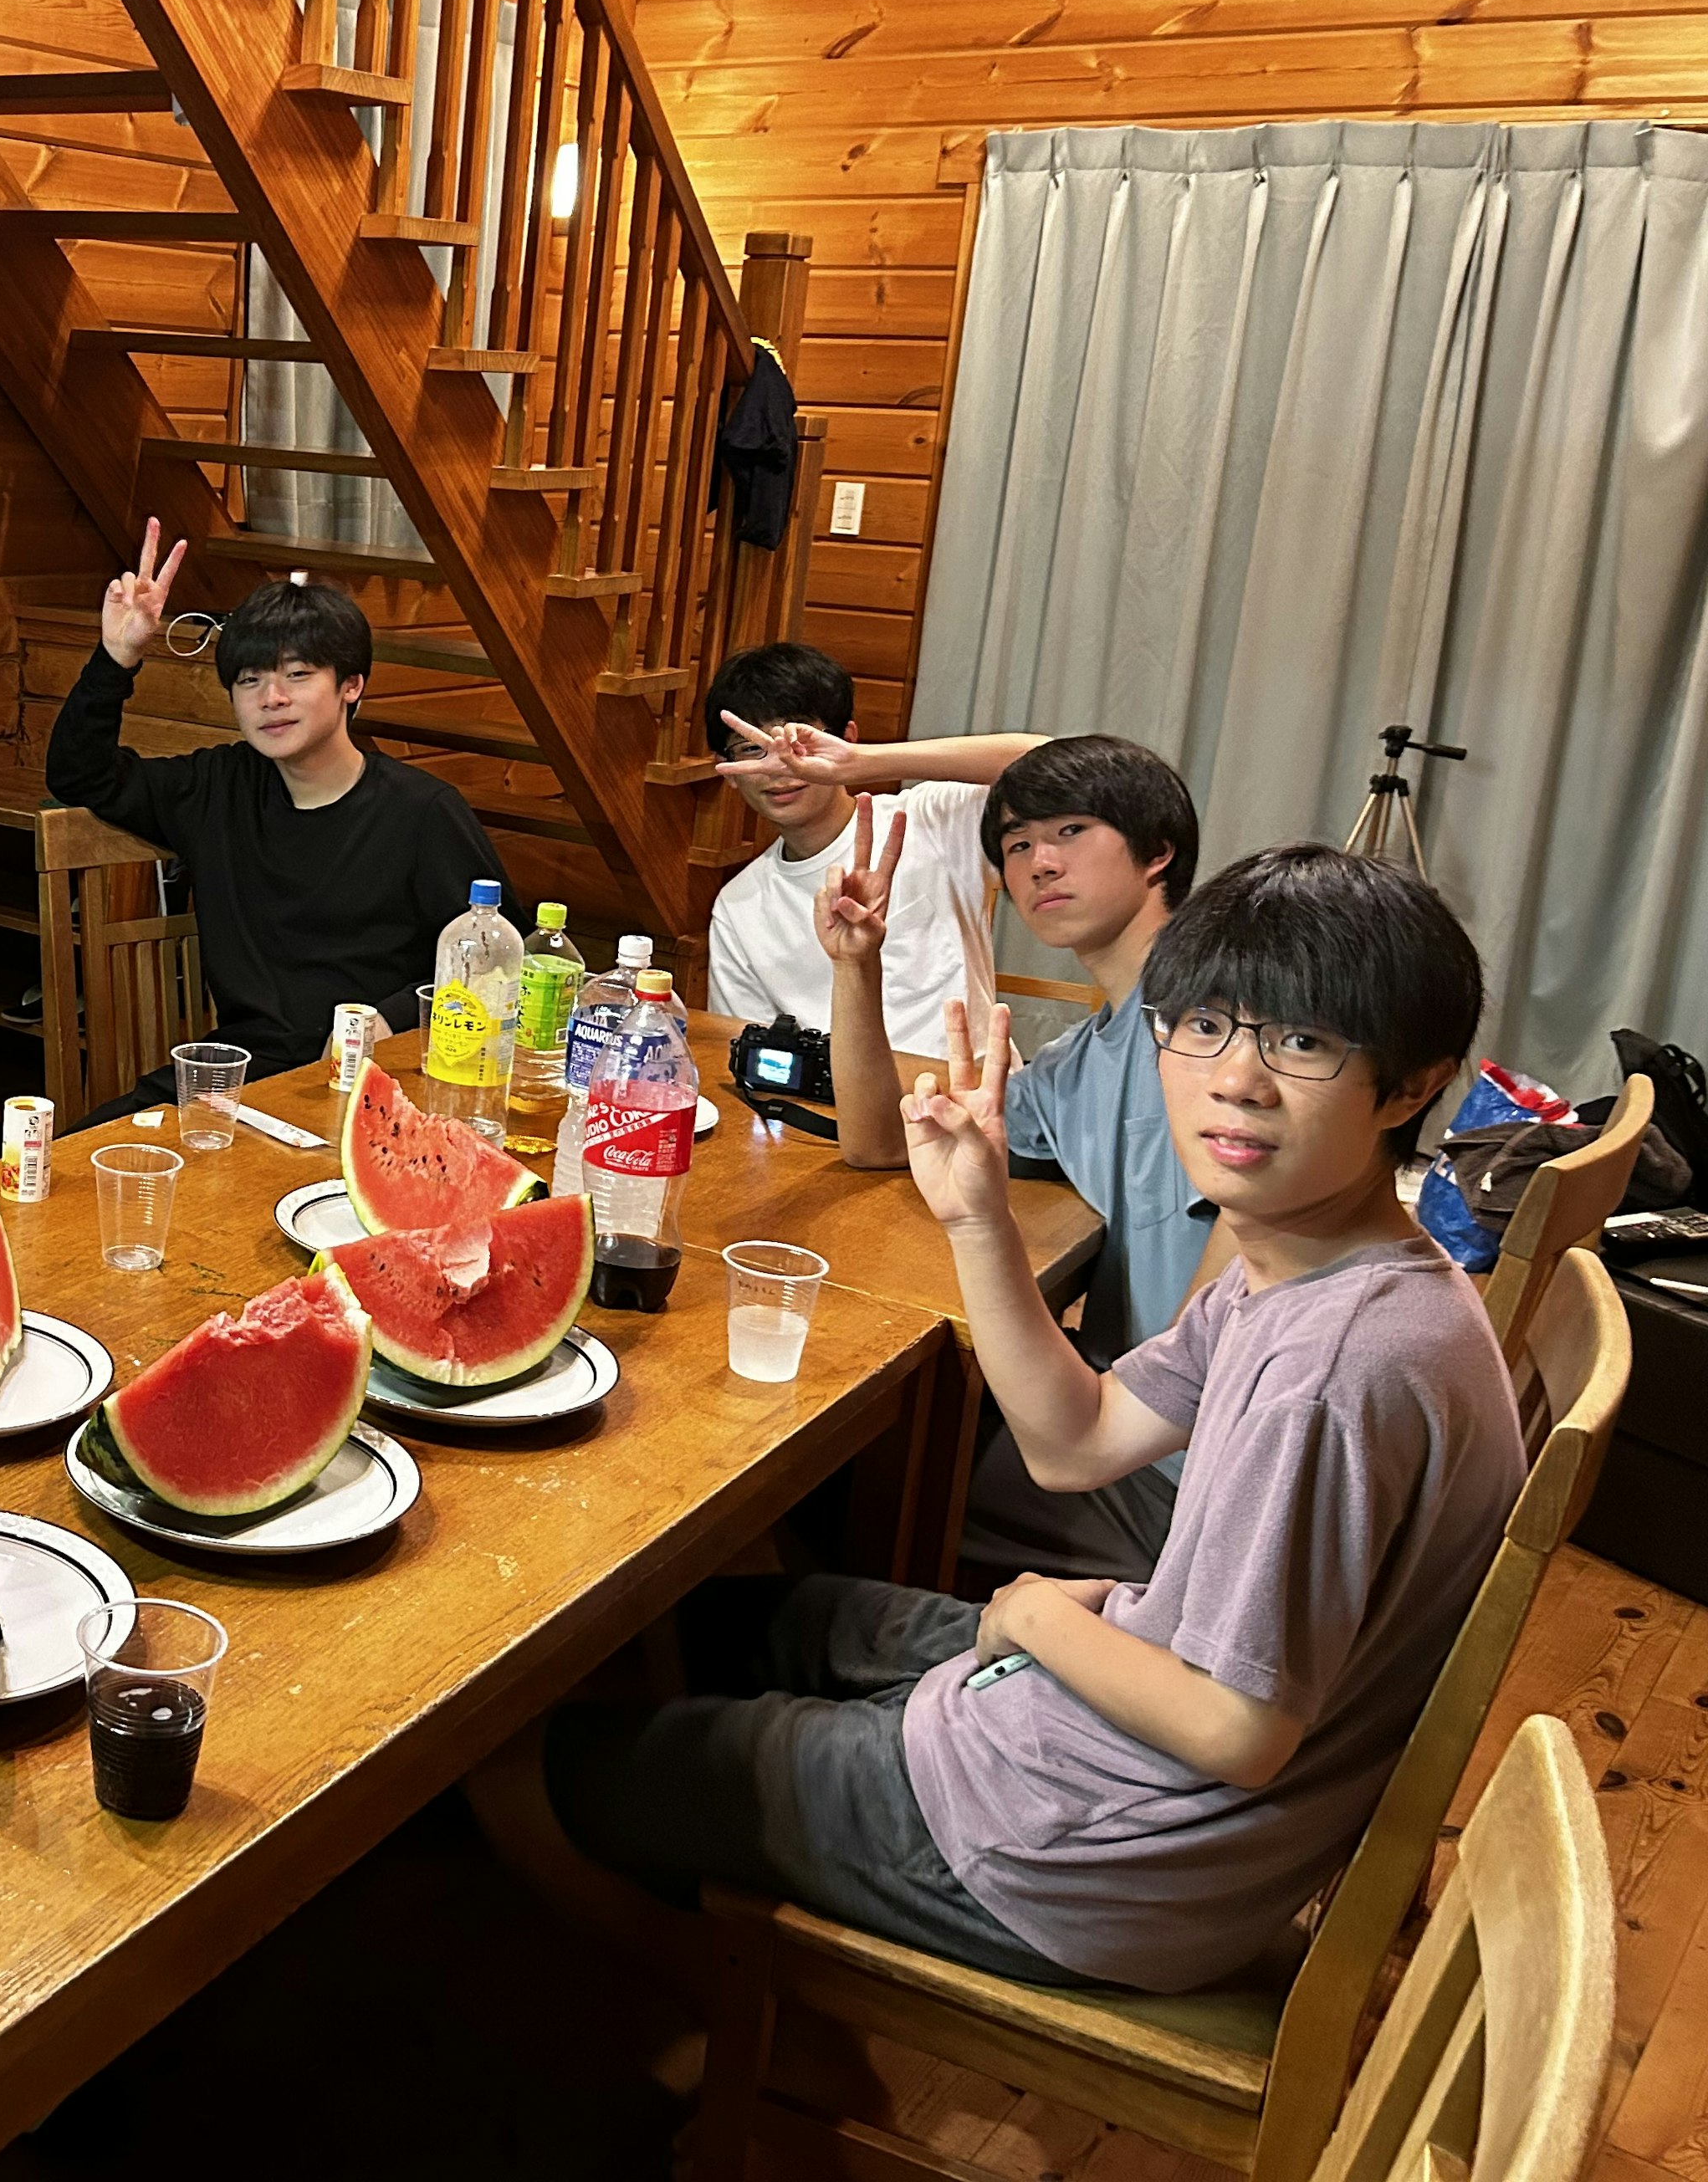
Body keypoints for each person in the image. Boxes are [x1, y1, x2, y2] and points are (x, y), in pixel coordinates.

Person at [545, 847, 1521, 1994]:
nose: (1237, 1081)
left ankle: (711, 2009)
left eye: (1302, 1043)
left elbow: (1234, 1730)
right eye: (1205, 1024)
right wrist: (974, 1216)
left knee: (543, 1755)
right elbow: (1079, 1441)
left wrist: (1042, 1617)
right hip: (1103, 1750)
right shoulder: (1310, 1270)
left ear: (1410, 1086)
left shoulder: (1335, 1369)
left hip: (1081, 1856)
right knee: (733, 1622)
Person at [805, 733, 1216, 1578]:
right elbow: (879, 1143)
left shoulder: (1219, 1032)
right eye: (1017, 845)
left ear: (1159, 852)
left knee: (836, 1472)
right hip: (1114, 1418)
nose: (1037, 863)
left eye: (1069, 832)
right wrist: (856, 966)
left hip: (1180, 1485)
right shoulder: (1081, 1061)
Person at [43, 522, 509, 1102]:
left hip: (384, 1078)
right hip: (239, 1077)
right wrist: (117, 658)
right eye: (250, 680)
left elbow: (500, 963)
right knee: (72, 1167)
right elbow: (77, 774)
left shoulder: (423, 813)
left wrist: (387, 1018)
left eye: (297, 675)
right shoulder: (217, 786)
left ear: (351, 685)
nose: (272, 698)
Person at [702, 642, 1048, 1062]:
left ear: (846, 738)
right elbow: (750, 1050)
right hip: (837, 1116)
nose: (780, 766)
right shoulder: (739, 906)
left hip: (973, 1103)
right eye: (752, 749)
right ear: (729, 771)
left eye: (796, 742)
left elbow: (1054, 765)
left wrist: (864, 762)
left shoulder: (930, 819)